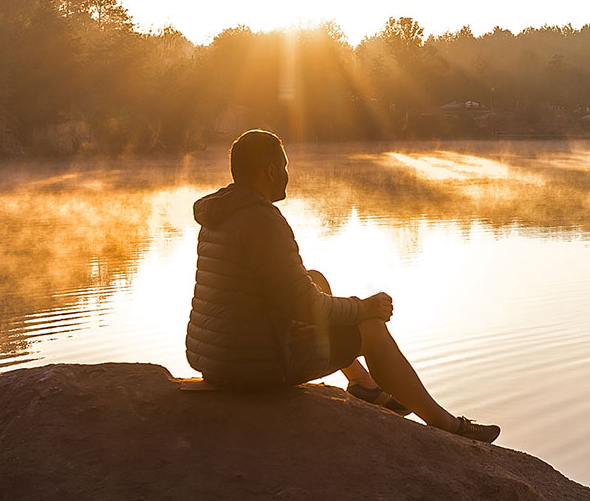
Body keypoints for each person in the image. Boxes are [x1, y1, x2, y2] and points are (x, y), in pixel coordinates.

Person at [185, 129, 501, 443]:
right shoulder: (262, 220)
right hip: (255, 366)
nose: (287, 174)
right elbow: (305, 306)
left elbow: (288, 292)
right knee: (373, 331)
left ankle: (363, 385)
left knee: (316, 279)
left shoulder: (222, 213)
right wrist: (364, 308)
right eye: (284, 167)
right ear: (270, 171)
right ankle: (445, 424)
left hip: (218, 358)